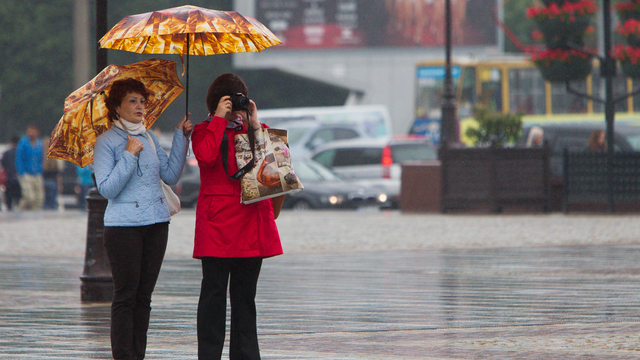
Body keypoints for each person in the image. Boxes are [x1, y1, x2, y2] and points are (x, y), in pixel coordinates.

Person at [93, 78, 193, 360]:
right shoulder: (106, 142)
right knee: (125, 296)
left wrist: (181, 136)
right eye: (132, 101)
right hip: (123, 228)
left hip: (157, 224)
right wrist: (127, 155)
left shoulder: (148, 138)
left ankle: (139, 354)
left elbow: (170, 175)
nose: (140, 106)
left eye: (142, 100)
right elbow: (107, 188)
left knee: (144, 298)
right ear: (116, 106)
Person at [192, 73, 285, 360]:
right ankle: (209, 355)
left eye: (238, 98)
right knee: (213, 297)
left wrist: (255, 122)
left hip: (249, 224)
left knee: (245, 299)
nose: (235, 105)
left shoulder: (257, 130)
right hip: (217, 226)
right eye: (229, 99)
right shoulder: (204, 130)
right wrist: (218, 118)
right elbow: (206, 157)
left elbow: (278, 169)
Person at [15, 124, 44, 210]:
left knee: (39, 199)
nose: (31, 133)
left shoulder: (39, 143)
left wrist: (40, 170)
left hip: (37, 173)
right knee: (29, 197)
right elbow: (19, 158)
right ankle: (19, 210)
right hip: (26, 173)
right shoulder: (23, 143)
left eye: (33, 131)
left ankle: (34, 216)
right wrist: (21, 172)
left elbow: (40, 158)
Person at [42, 138, 63, 210]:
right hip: (53, 181)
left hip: (44, 181)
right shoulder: (56, 155)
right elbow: (60, 169)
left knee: (44, 202)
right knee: (52, 202)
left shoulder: (42, 157)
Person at [1, 136, 21, 210]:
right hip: (19, 177)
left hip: (9, 178)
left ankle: (9, 209)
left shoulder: (6, 153)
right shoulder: (20, 152)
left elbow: (3, 164)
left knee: (9, 197)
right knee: (18, 197)